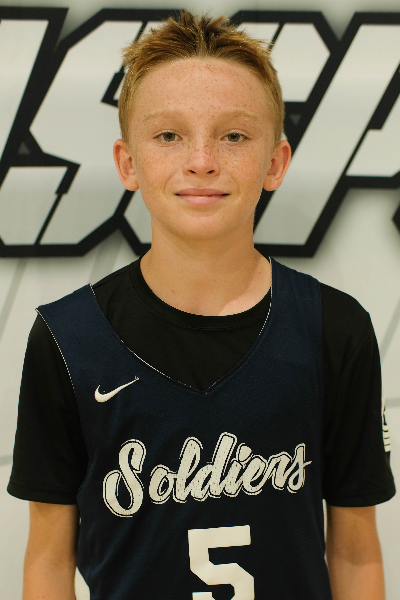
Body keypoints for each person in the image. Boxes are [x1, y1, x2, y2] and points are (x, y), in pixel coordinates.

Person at [8, 11, 395, 600]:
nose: (202, 160)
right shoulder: (67, 339)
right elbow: (47, 559)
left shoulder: (335, 330)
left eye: (234, 136)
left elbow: (355, 551)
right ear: (128, 162)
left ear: (275, 162)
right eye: (169, 135)